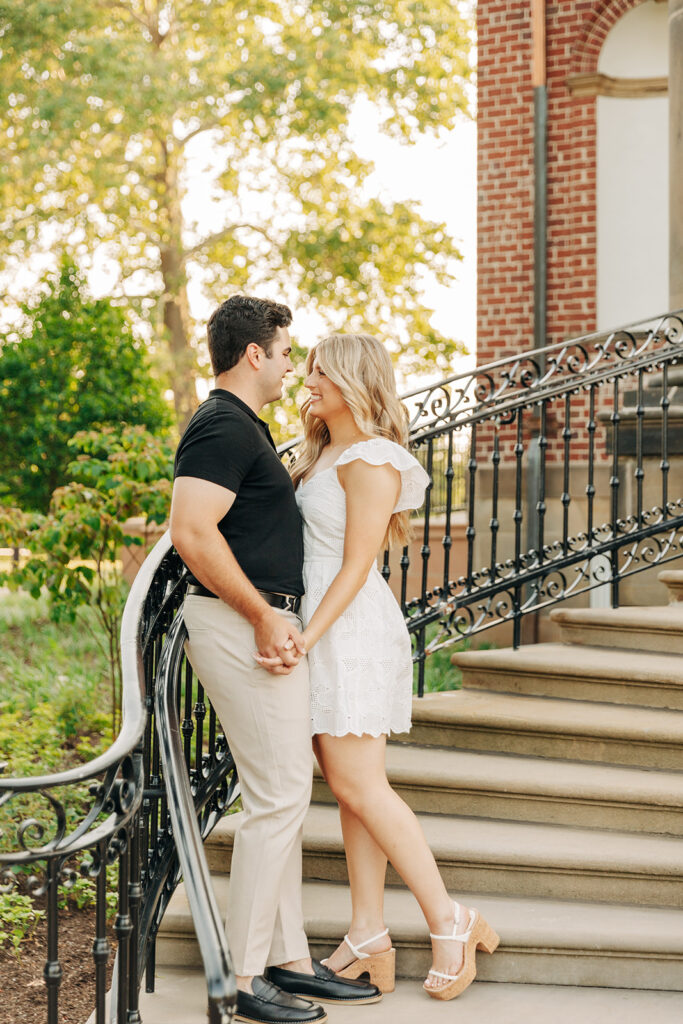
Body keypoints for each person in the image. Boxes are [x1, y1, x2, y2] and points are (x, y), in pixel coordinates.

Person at [256, 333, 500, 1001]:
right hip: (321, 624)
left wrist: (307, 637)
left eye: (318, 372)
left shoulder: (371, 458)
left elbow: (357, 564)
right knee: (348, 783)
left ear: (351, 379)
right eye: (304, 370)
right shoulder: (322, 452)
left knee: (360, 784)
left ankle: (451, 918)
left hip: (348, 628)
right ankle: (367, 934)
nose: (307, 381)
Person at [169, 297, 381, 1024]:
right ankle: (242, 973)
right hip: (240, 624)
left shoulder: (242, 426)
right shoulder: (221, 425)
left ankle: (289, 960)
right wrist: (262, 615)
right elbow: (191, 532)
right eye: (287, 351)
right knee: (277, 797)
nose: (293, 364)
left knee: (284, 795)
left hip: (259, 620)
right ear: (254, 354)